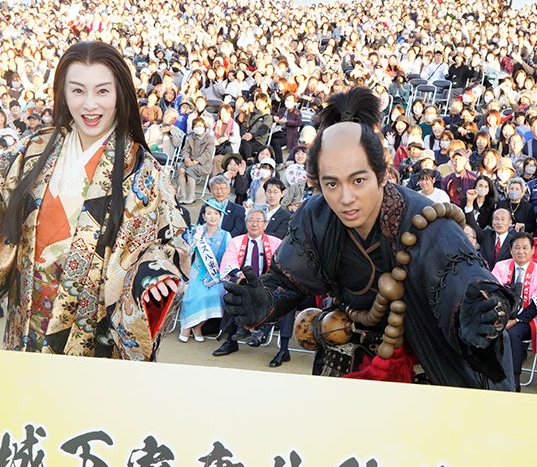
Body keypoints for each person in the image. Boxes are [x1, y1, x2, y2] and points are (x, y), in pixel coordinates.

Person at [222, 87, 515, 389]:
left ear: (382, 174)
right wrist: (264, 303)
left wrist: (473, 315)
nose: (346, 198)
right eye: (331, 183)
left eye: (358, 180)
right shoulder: (316, 216)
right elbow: (287, 283)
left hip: (427, 362)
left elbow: (463, 286)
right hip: (349, 350)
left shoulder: (427, 223)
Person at [0, 41, 184, 359]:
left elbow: (168, 242)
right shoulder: (36, 147)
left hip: (92, 334)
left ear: (120, 94)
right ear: (63, 93)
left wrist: (151, 276)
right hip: (26, 315)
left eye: (102, 91)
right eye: (78, 91)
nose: (89, 104)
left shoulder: (143, 171)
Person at [213, 206, 281, 355]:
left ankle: (257, 331)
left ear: (265, 224)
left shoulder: (276, 242)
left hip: (266, 283)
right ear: (246, 222)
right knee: (235, 293)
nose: (254, 224)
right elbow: (229, 261)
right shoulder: (236, 242)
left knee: (273, 295)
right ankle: (231, 341)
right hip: (244, 282)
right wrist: (238, 273)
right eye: (251, 220)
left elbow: (281, 265)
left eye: (258, 221)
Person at [491, 233, 537, 388]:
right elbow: (494, 294)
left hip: (528, 319)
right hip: (501, 315)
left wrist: (515, 320)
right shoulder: (501, 267)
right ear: (510, 250)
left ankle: (514, 380)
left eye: (525, 248)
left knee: (512, 334)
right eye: (516, 248)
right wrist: (503, 319)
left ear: (532, 251)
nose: (520, 251)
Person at [179, 199, 230, 342]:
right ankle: (187, 327)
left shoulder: (226, 235)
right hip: (197, 273)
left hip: (216, 276)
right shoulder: (197, 231)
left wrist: (218, 276)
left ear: (220, 216)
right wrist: (195, 240)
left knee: (217, 295)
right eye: (209, 213)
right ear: (204, 216)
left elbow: (228, 258)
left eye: (216, 214)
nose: (212, 216)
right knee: (194, 296)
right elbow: (187, 253)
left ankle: (197, 326)